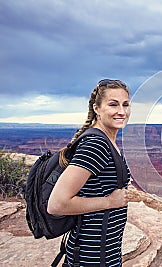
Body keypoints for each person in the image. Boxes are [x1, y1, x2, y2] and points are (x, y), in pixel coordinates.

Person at [47, 79, 133, 266]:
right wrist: (110, 201)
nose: (122, 111)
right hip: (91, 256)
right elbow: (57, 204)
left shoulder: (106, 141)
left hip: (103, 253)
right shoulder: (96, 144)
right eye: (113, 104)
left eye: (125, 105)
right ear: (97, 108)